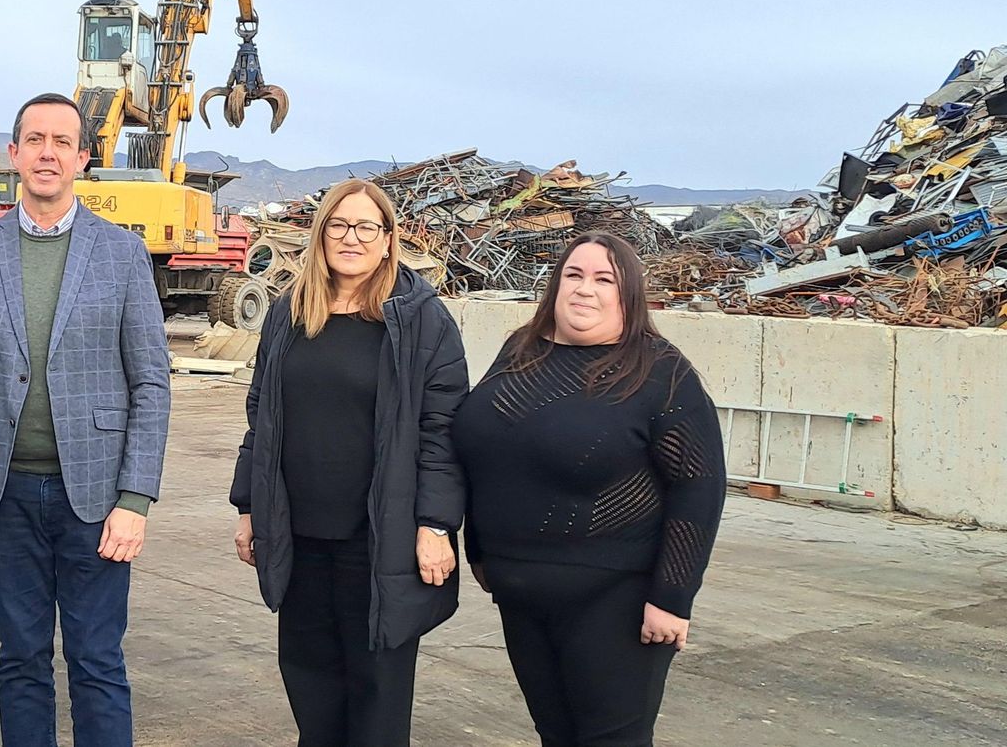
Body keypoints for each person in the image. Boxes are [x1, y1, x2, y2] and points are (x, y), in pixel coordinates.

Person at [0, 92, 170, 747]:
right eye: (34, 139)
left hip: (94, 500)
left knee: (97, 663)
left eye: (61, 141)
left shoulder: (121, 255)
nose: (46, 152)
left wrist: (135, 499)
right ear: (14, 154)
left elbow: (151, 382)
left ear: (83, 158)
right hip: (3, 497)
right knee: (21, 660)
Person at [453, 231, 726, 747]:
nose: (585, 290)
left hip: (614, 598)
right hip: (519, 590)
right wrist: (481, 551)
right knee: (555, 735)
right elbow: (488, 451)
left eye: (605, 279)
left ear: (629, 295)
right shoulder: (522, 350)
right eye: (574, 276)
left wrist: (673, 597)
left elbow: (698, 488)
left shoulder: (660, 372)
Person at [229, 178, 469, 747]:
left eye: (366, 226)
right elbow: (261, 416)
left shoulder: (420, 322)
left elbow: (443, 433)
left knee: (376, 700)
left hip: (379, 540)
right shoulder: (290, 314)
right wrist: (249, 507)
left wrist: (436, 524)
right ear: (320, 235)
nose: (351, 238)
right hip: (301, 537)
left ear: (389, 239)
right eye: (338, 225)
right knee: (311, 690)